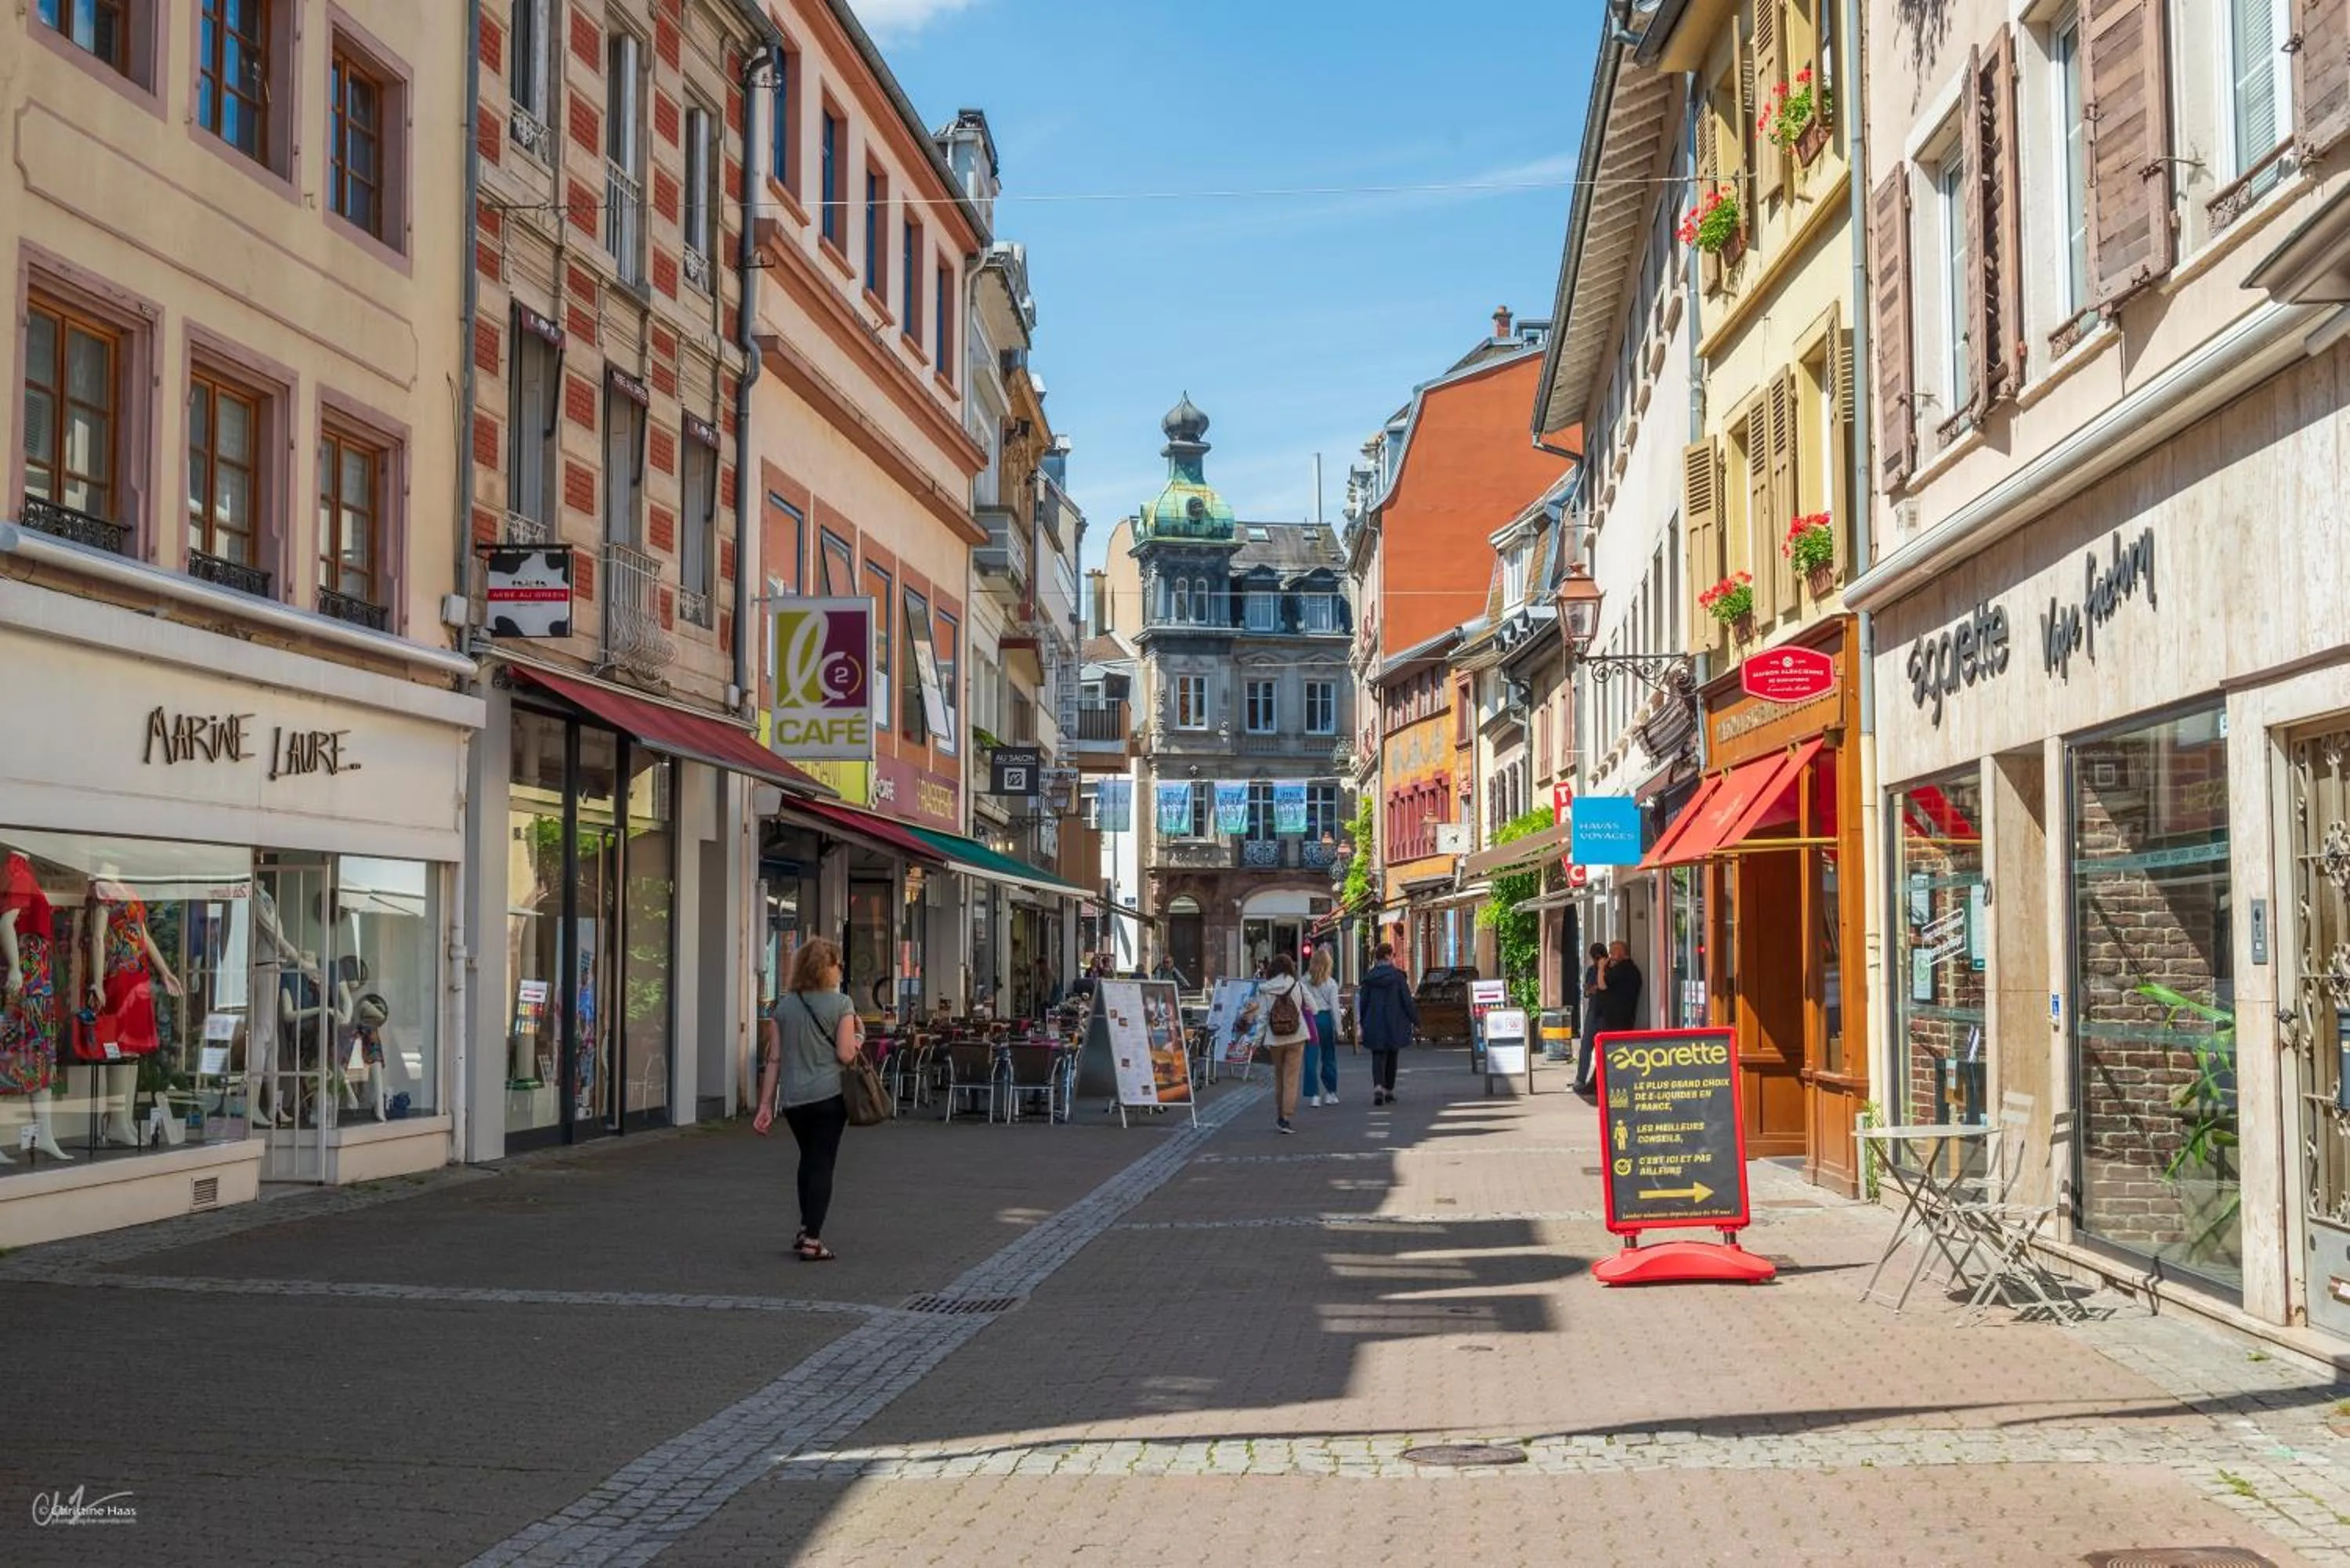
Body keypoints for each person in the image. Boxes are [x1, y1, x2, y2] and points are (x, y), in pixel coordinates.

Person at [754, 937, 862, 1263]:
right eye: (838, 963)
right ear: (826, 968)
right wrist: (859, 1037)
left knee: (808, 1160)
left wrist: (764, 1105)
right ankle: (813, 1239)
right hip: (829, 1097)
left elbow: (774, 1060)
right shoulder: (842, 1004)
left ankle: (805, 1228)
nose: (840, 969)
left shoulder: (785, 1007)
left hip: (794, 1100)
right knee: (822, 1163)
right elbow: (845, 1054)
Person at [1356, 941, 1418, 1107]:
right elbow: (1407, 1001)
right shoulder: (1398, 977)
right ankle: (1389, 1091)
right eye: (1392, 955)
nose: (1393, 958)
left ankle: (1378, 1087)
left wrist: (1362, 1021)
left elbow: (1363, 1002)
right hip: (1394, 1022)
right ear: (1387, 956)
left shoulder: (1369, 978)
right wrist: (1415, 1020)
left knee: (1377, 1055)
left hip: (1374, 1021)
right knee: (1392, 1055)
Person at [1256, 952, 1311, 1133]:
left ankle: (1279, 1114)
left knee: (1279, 1076)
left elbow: (1262, 1017)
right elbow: (1314, 1007)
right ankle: (1286, 1117)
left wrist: (1257, 1041)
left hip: (1275, 1037)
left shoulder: (1265, 989)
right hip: (1297, 1036)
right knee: (1291, 1077)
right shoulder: (1298, 985)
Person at [1300, 948, 1343, 1107]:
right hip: (1325, 1018)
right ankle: (1331, 1093)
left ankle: (1314, 1095)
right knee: (1329, 1056)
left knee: (1310, 1057)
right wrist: (1339, 1029)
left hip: (1310, 1019)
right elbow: (1335, 1008)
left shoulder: (1304, 981)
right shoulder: (1331, 983)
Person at [1575, 941, 1608, 1095]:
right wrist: (1593, 988)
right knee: (1586, 1046)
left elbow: (1605, 988)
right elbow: (1588, 991)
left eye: (1599, 956)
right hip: (1594, 1012)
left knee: (1604, 1048)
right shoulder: (1591, 970)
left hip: (1607, 1013)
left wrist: (1596, 988)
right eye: (1595, 957)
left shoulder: (1610, 968)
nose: (1597, 960)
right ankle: (1580, 1079)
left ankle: (1601, 1081)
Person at [1602, 940, 1646, 1036]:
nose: (1610, 955)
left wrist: (1602, 967)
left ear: (1620, 952)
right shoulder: (1626, 968)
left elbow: (1603, 984)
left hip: (1619, 1017)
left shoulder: (1624, 968)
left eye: (1613, 952)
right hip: (1620, 1016)